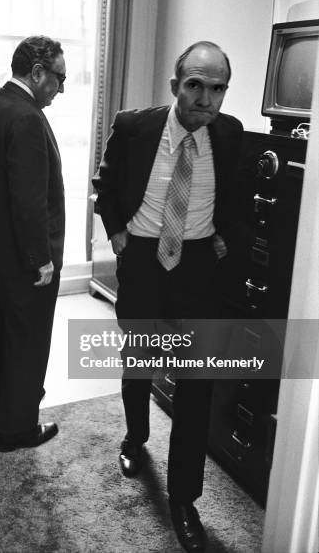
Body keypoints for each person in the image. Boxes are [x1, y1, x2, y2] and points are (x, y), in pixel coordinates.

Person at [93, 41, 243, 551]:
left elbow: (239, 196)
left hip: (198, 270)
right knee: (137, 362)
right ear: (175, 83)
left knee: (197, 384)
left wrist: (225, 236)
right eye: (195, 85)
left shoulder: (230, 133)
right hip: (144, 262)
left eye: (217, 87)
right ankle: (135, 437)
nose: (205, 98)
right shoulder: (135, 127)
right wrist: (116, 232)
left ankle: (184, 498)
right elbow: (104, 186)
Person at [0, 36, 65, 452]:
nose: (61, 88)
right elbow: (28, 198)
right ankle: (19, 430)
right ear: (37, 72)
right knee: (27, 343)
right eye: (58, 78)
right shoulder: (26, 117)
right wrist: (40, 258)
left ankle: (1, 417)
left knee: (1, 338)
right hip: (21, 259)